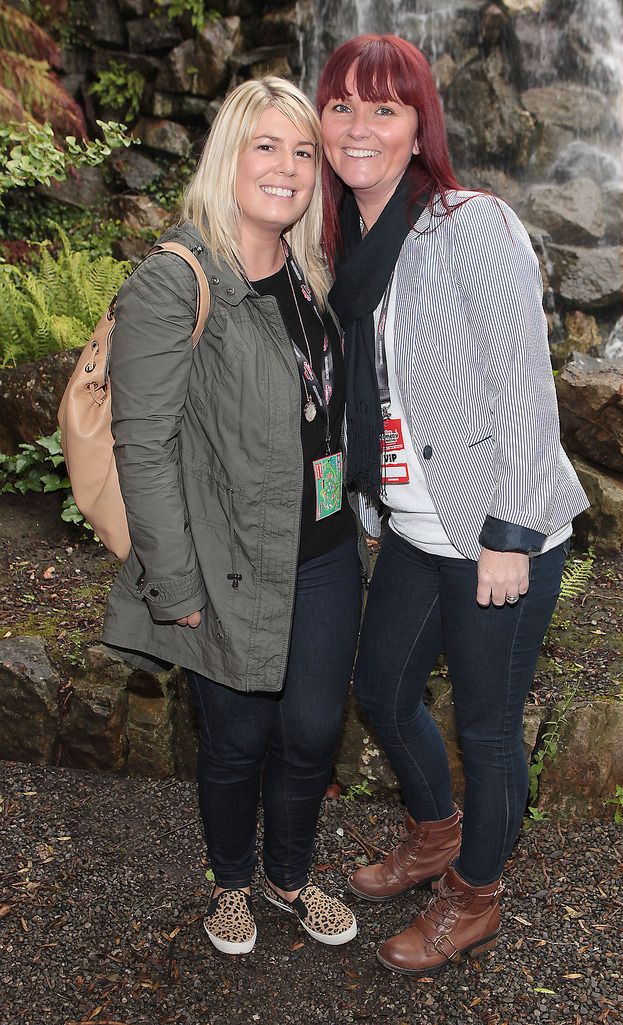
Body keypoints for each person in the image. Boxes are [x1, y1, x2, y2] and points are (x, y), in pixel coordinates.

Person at [317, 35, 589, 976]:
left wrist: (510, 536)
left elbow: (521, 386)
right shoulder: (348, 243)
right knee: (383, 692)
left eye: (384, 109)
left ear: (417, 125)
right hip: (411, 525)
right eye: (342, 105)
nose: (360, 126)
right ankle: (435, 834)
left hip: (494, 532)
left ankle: (473, 895)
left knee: (485, 725)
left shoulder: (466, 222)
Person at [102, 77, 362, 956]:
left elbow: (321, 415)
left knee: (313, 728)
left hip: (324, 550)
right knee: (236, 737)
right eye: (266, 146)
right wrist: (174, 583)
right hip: (224, 559)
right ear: (228, 156)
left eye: (300, 152)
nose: (286, 168)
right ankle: (230, 883)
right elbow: (141, 446)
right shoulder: (176, 280)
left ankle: (289, 876)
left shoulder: (305, 270)